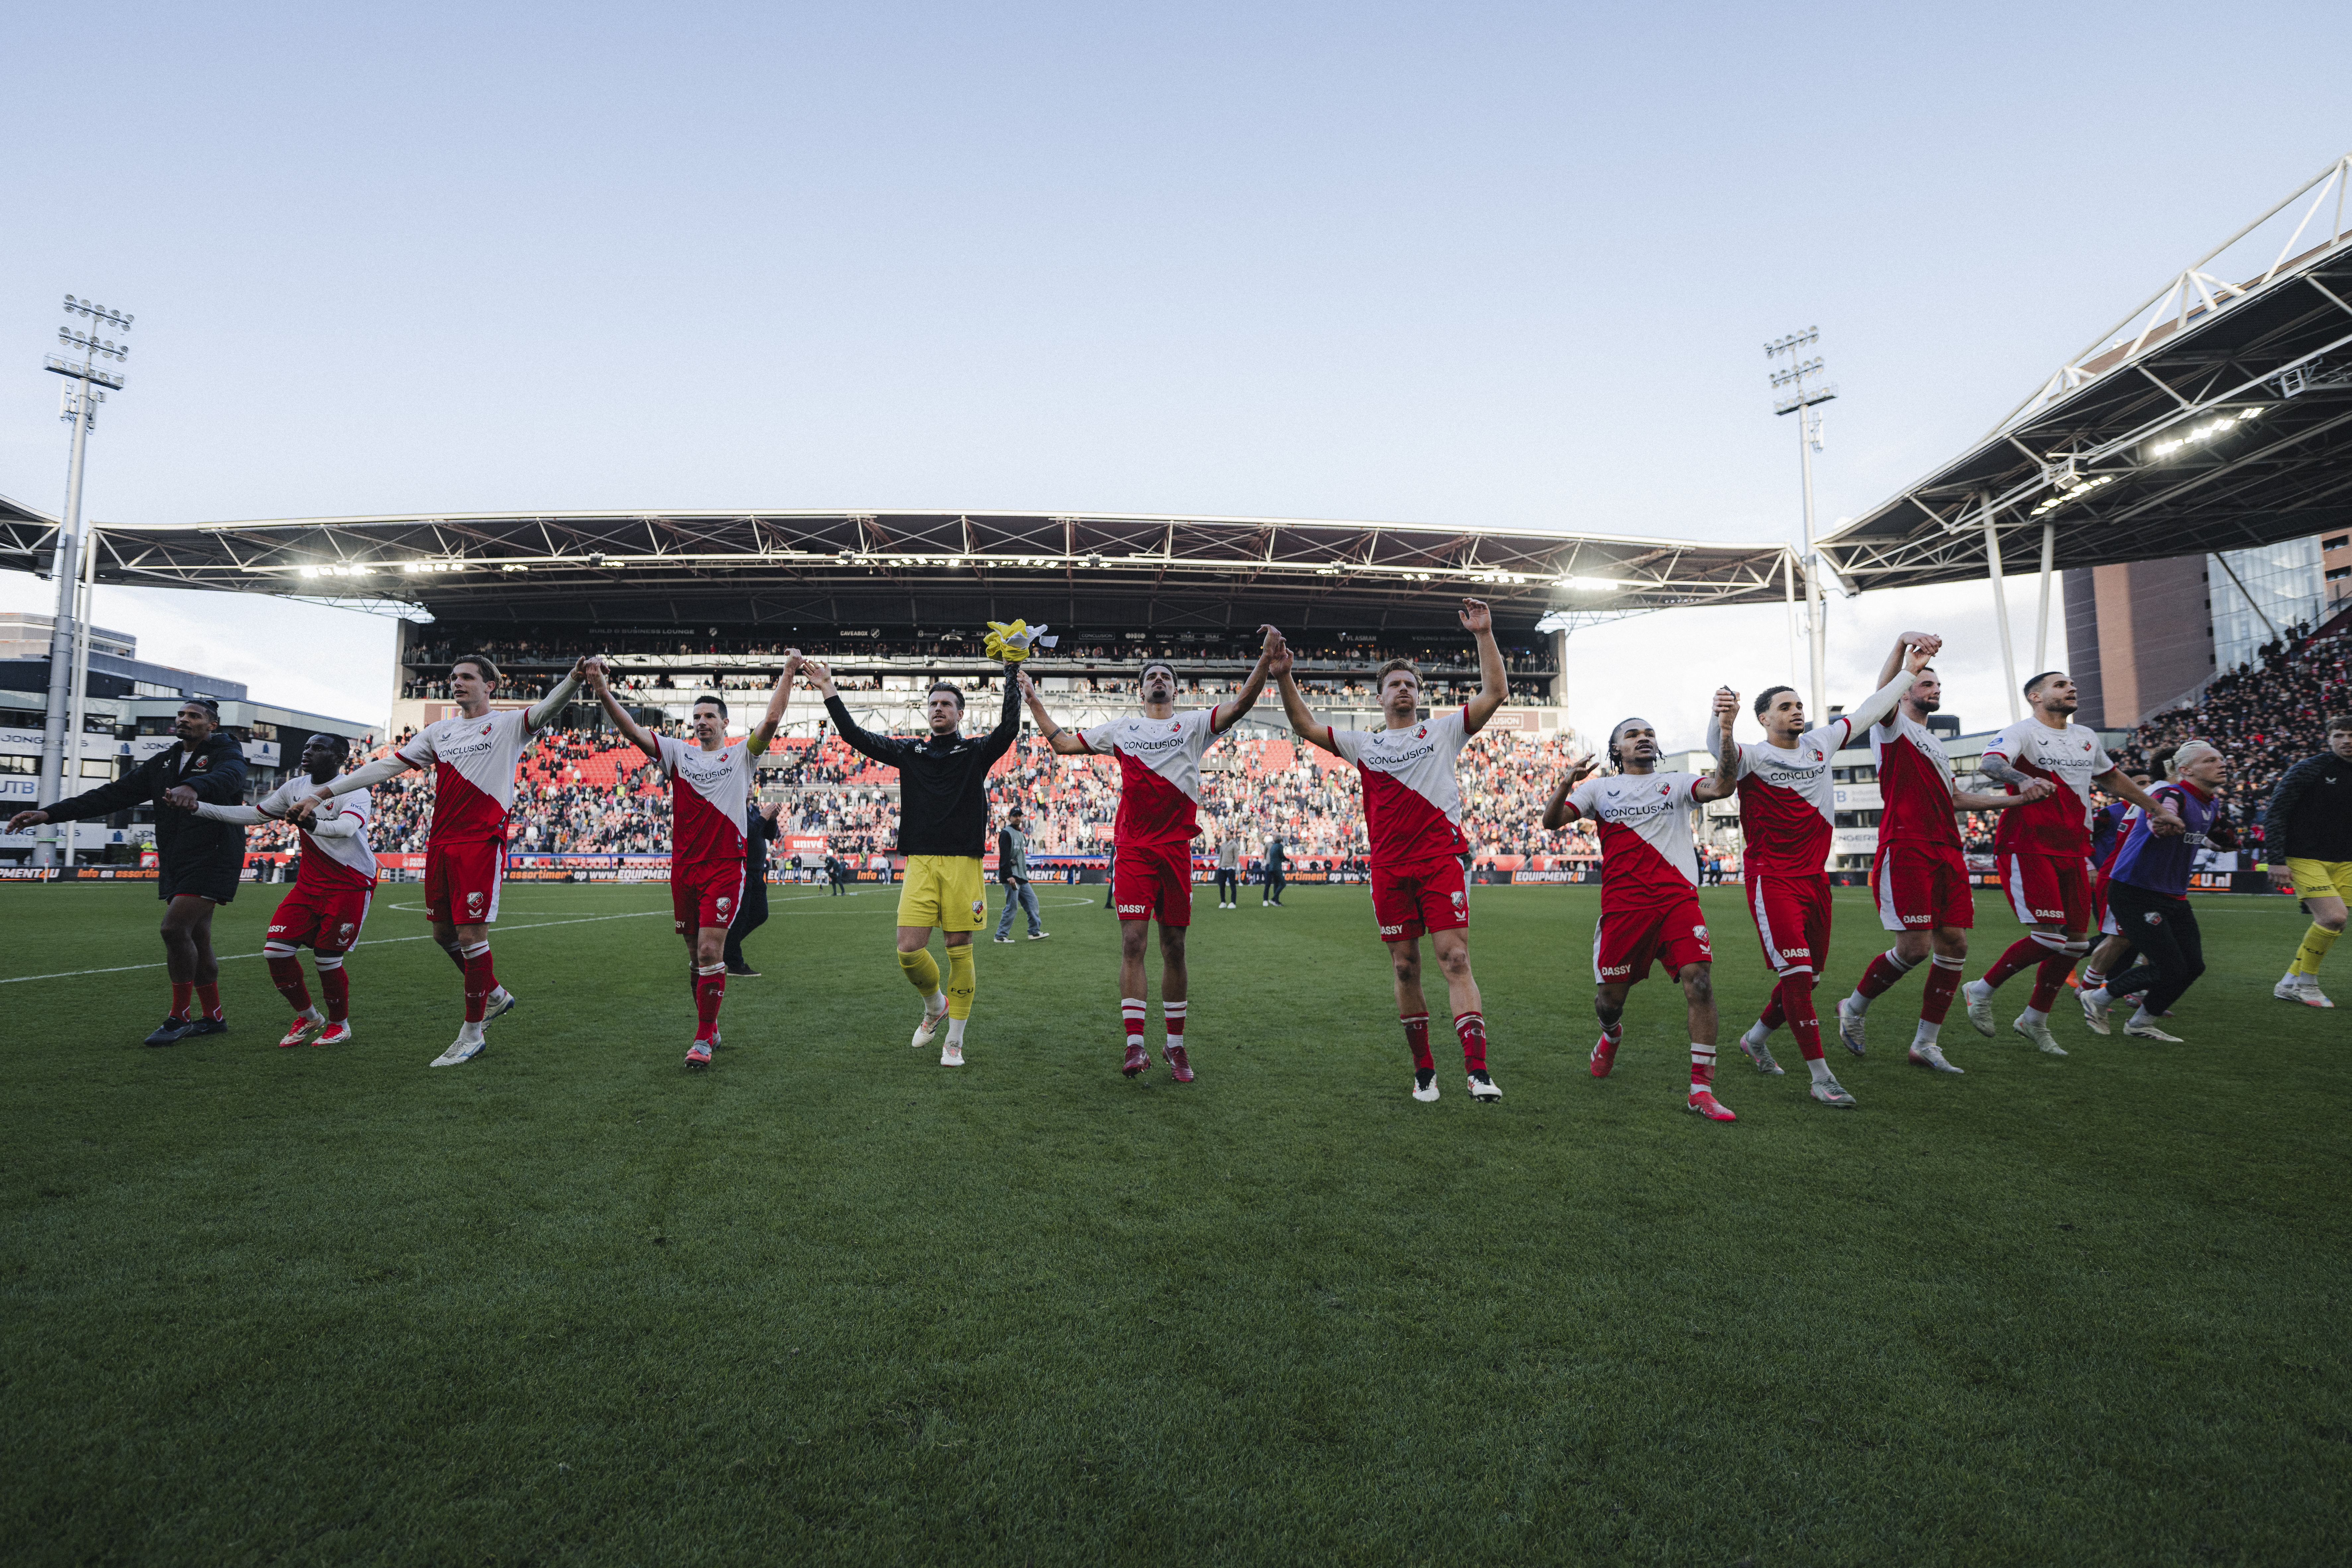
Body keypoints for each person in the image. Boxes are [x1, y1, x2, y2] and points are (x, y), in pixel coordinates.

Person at [295, 653, 587, 1066]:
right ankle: (496, 995)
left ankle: (472, 1034)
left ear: (491, 686)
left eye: (467, 677)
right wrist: (322, 794)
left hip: (480, 841)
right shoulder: (439, 732)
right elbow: (385, 767)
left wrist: (574, 678)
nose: (457, 682)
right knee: (443, 935)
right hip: (442, 842)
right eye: (453, 677)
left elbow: (546, 709)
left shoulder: (507, 725)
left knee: (471, 937)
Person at [1271, 597, 1509, 1103]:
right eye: (1394, 685)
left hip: (1438, 861)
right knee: (1404, 967)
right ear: (1378, 698)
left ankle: (1477, 1070)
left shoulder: (1442, 732)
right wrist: (1284, 676)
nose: (1403, 690)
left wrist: (1482, 634)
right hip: (1388, 869)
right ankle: (1424, 1071)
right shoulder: (1364, 745)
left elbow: (1495, 692)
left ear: (1418, 697)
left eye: (1410, 685)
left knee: (1456, 958)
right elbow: (1305, 728)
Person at [1021, 631, 1275, 1081]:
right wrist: (1033, 698)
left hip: (1176, 850)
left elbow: (1239, 705)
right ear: (1140, 690)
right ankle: (1134, 1045)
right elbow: (1061, 743)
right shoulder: (1121, 730)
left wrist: (1265, 660)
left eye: (1165, 676)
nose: (1158, 680)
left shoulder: (1195, 724)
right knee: (1133, 943)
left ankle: (1175, 1047)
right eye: (1150, 676)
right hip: (1135, 850)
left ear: (1175, 689)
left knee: (1174, 946)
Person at [1718, 640, 1935, 1108]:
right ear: (1763, 719)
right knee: (1796, 976)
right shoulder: (1750, 755)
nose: (1796, 711)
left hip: (1814, 881)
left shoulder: (1820, 744)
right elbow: (1722, 769)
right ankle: (1820, 1076)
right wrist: (1721, 725)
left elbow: (1869, 709)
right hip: (1770, 879)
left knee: (1809, 979)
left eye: (1798, 705)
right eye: (1785, 706)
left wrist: (1906, 670)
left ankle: (1755, 1038)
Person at [1830, 640, 2054, 1073]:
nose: (1934, 687)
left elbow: (1953, 797)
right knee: (1913, 948)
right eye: (1925, 682)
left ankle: (1925, 1044)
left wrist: (2018, 800)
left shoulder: (1933, 743)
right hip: (1907, 846)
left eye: (1937, 683)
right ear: (1904, 690)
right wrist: (1901, 646)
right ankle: (1853, 1007)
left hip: (1946, 850)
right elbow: (1882, 693)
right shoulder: (1890, 724)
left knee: (1953, 943)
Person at [805, 658, 1022, 1067]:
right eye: (933, 703)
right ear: (927, 710)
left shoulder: (975, 751)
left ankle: (954, 1041)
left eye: (947, 704)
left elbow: (1008, 729)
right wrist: (827, 688)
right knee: (908, 951)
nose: (939, 708)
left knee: (959, 948)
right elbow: (855, 736)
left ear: (961, 713)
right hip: (920, 863)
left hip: (963, 865)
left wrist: (1011, 671)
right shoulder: (911, 751)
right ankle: (936, 1004)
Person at [586, 659, 795, 1066]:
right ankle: (710, 1024)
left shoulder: (741, 758)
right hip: (683, 867)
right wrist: (602, 690)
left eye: (709, 716)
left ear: (724, 722)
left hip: (723, 865)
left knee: (708, 951)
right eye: (696, 717)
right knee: (693, 956)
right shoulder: (677, 754)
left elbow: (771, 719)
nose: (701, 722)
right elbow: (630, 730)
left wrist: (787, 671)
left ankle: (702, 1040)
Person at [1960, 671, 2180, 1055]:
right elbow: (1990, 763)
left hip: (2073, 848)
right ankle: (1980, 990)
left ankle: (2034, 1020)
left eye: (2072, 685)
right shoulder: (2022, 731)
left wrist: (2156, 809)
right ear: (2035, 696)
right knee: (2048, 937)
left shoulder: (2085, 737)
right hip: (2028, 844)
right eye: (2060, 685)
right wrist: (2021, 779)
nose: (2071, 689)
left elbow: (2113, 781)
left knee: (2075, 944)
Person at [1540, 706, 1742, 1121]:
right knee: (1609, 1003)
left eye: (1649, 733)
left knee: (1700, 982)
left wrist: (1725, 731)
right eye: (1632, 734)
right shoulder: (1599, 790)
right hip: (1623, 909)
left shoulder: (1677, 783)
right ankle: (1610, 1036)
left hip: (1677, 901)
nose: (1643, 738)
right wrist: (1566, 783)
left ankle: (1700, 1090)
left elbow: (1722, 788)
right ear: (1617, 748)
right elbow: (1551, 821)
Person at [11, 696, 249, 1045]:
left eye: (194, 716)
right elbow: (112, 795)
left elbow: (230, 777)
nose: (184, 719)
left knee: (173, 928)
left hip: (214, 855)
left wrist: (194, 786)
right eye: (181, 714)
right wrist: (48, 814)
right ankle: (213, 1017)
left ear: (212, 724)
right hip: (177, 858)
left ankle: (179, 1017)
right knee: (197, 936)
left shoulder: (226, 752)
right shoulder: (164, 762)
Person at [179, 732, 377, 1047]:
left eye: (319, 748)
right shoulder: (294, 787)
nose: (309, 751)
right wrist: (198, 808)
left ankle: (340, 1025)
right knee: (275, 951)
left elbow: (347, 828)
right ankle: (310, 1016)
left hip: (349, 883)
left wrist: (313, 824)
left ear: (340, 758)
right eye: (307, 746)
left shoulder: (354, 789)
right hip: (310, 883)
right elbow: (255, 816)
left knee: (328, 960)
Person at [2078, 741, 2235, 1040]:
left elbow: (2210, 837)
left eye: (2221, 758)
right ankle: (2096, 997)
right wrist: (2162, 820)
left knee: (2193, 966)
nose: (2222, 763)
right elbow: (2161, 813)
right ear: (2185, 770)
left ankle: (2140, 1022)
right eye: (2211, 760)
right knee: (2168, 966)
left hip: (2172, 894)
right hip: (2135, 890)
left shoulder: (2210, 802)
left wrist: (2224, 841)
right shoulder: (2169, 793)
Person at [2262, 714, 2352, 1008]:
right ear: (2328, 739)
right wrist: (2275, 860)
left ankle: (2288, 982)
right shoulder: (2310, 769)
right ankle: (2307, 984)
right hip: (2304, 855)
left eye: (2350, 735)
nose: (2347, 741)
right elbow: (2276, 813)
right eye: (2339, 735)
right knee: (2333, 918)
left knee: (2332, 925)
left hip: (2347, 860)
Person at [725, 802, 784, 976]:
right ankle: (735, 964)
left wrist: (772, 820)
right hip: (742, 871)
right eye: (748, 785)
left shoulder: (754, 810)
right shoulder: (735, 809)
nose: (750, 788)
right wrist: (763, 818)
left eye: (752, 785)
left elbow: (769, 835)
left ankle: (724, 947)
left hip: (757, 871)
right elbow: (745, 835)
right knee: (740, 917)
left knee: (760, 914)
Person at [992, 806, 1046, 942]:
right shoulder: (1006, 833)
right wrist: (1009, 875)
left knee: (1033, 902)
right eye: (1015, 815)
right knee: (1012, 906)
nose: (1018, 818)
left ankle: (1034, 932)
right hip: (1012, 878)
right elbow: (1004, 857)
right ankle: (1000, 936)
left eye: (1019, 816)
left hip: (1022, 877)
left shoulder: (1020, 834)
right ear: (1010, 818)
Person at [1215, 829, 1241, 909]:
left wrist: (1233, 867)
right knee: (1222, 886)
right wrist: (1220, 865)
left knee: (1233, 886)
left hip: (1230, 868)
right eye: (1225, 834)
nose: (1226, 836)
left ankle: (1233, 902)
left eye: (1227, 834)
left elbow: (1236, 858)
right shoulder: (1223, 845)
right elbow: (1221, 856)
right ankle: (1223, 902)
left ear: (1231, 835)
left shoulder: (1234, 845)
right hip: (1222, 868)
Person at [1261, 832, 1288, 906]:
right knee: (1268, 883)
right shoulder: (1268, 844)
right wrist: (1268, 861)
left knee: (1277, 884)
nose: (1275, 837)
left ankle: (1276, 900)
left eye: (1276, 836)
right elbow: (1265, 854)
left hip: (1276, 866)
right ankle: (1265, 900)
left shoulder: (1280, 845)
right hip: (1269, 865)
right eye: (1274, 835)